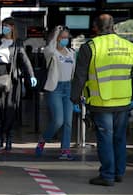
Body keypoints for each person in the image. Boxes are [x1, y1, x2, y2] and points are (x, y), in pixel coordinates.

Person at [71, 14, 133, 186]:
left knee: (105, 139)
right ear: (114, 26)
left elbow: (80, 76)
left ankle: (107, 175)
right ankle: (118, 173)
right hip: (123, 100)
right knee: (120, 138)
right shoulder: (129, 46)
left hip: (102, 101)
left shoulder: (90, 47)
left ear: (96, 28)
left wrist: (74, 97)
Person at [0, 17, 37, 151]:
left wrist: (31, 76)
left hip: (12, 81)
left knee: (10, 110)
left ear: (12, 28)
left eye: (7, 26)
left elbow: (25, 61)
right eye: (3, 26)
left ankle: (9, 137)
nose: (5, 28)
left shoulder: (17, 44)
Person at [35, 25, 77, 160]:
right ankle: (43, 140)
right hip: (55, 89)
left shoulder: (71, 52)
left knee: (68, 122)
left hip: (68, 88)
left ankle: (65, 150)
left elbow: (74, 73)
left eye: (66, 37)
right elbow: (49, 48)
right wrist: (55, 34)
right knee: (58, 120)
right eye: (62, 38)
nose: (65, 40)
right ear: (57, 39)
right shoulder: (51, 53)